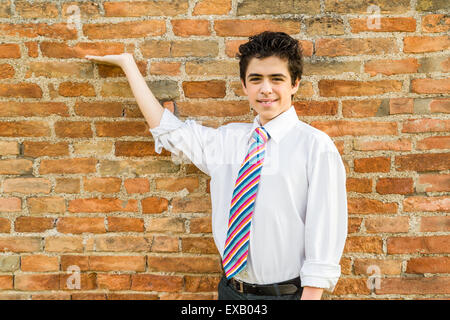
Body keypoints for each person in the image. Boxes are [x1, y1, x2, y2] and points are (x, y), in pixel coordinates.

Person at [85, 31, 348, 300]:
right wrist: (127, 65)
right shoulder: (229, 140)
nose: (265, 89)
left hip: (287, 295)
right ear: (244, 86)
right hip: (231, 292)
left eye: (276, 79)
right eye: (256, 79)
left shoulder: (315, 146)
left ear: (295, 84)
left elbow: (325, 229)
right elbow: (169, 131)